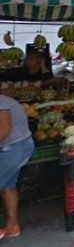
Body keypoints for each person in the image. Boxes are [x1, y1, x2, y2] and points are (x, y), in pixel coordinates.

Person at [0, 95, 34, 240]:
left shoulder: (1, 103)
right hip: (15, 147)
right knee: (7, 186)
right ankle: (12, 226)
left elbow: (4, 129)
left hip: (15, 148)